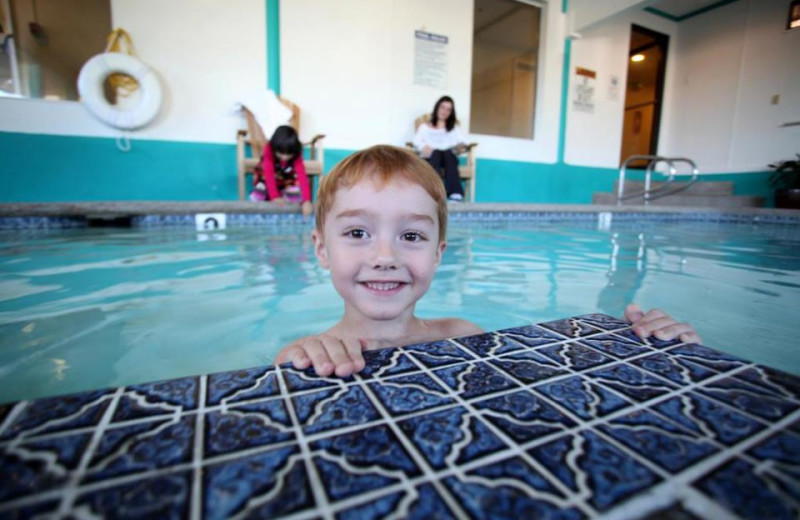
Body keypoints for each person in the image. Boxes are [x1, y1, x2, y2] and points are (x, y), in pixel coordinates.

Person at [275, 144, 701, 378]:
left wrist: (635, 347)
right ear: (322, 250)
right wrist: (300, 362)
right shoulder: (308, 355)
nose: (385, 257)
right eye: (357, 233)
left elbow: (545, 381)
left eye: (411, 236)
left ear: (438, 253)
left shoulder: (464, 336)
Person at [413, 95, 467, 202]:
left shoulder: (453, 128)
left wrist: (460, 147)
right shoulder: (424, 127)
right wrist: (423, 147)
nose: (445, 111)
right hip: (430, 157)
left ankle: (455, 193)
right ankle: (434, 192)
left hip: (448, 158)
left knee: (448, 154)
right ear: (437, 108)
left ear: (451, 113)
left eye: (448, 109)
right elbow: (416, 141)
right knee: (436, 153)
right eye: (442, 107)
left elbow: (462, 142)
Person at [250, 125, 313, 217]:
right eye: (281, 154)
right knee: (258, 195)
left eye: (289, 154)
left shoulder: (297, 152)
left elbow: (302, 175)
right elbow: (269, 174)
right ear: (274, 148)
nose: (285, 158)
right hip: (265, 179)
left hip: (286, 179)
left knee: (295, 194)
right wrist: (275, 197)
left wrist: (307, 200)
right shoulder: (268, 149)